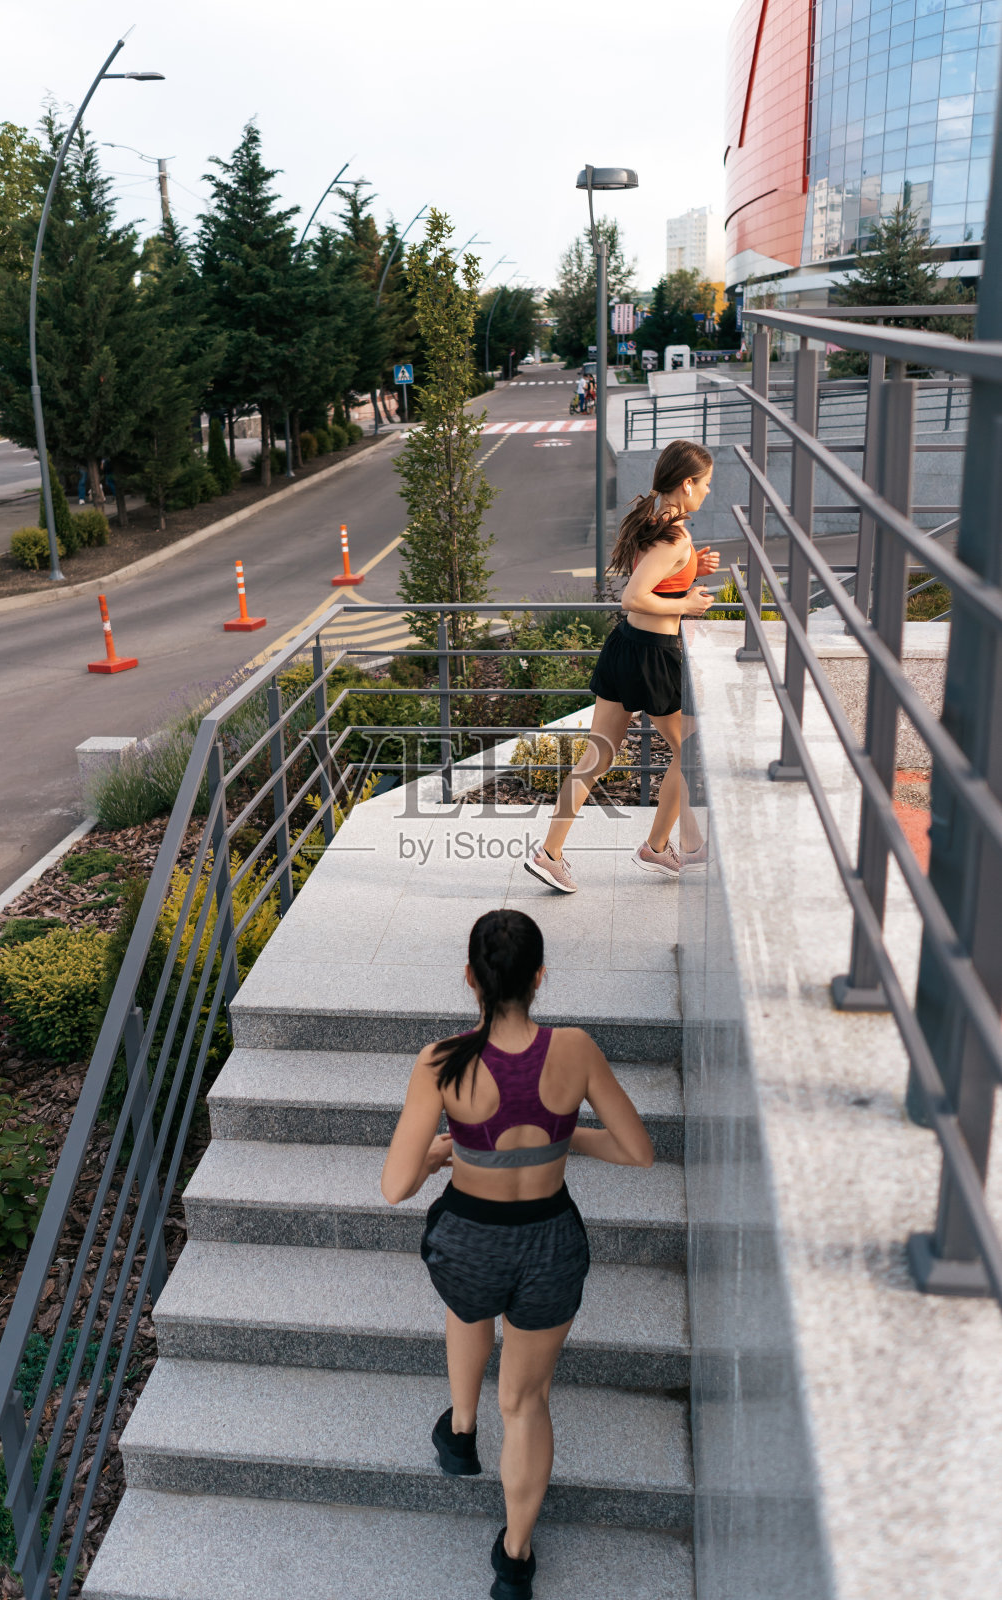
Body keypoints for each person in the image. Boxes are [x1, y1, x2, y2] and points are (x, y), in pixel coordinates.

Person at [380, 909, 654, 1600]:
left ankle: (461, 1430)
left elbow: (395, 1187)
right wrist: (561, 1139)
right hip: (550, 1243)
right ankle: (514, 1557)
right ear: (538, 976)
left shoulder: (440, 1060)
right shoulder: (577, 1049)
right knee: (526, 1401)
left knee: (468, 1306)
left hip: (467, 1238)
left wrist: (448, 1151)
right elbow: (637, 1152)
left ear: (470, 977)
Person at [524, 439, 720, 894]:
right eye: (706, 484)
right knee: (689, 753)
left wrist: (693, 572)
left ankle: (548, 854)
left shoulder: (657, 522)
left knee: (599, 755)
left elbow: (655, 581)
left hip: (625, 647)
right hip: (653, 656)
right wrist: (687, 605)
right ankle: (657, 846)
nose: (708, 492)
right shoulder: (675, 537)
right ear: (687, 484)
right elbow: (635, 595)